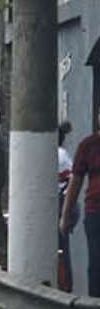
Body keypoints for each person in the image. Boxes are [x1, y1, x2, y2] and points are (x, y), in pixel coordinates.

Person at [61, 107, 100, 298]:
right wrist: (66, 215)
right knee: (96, 264)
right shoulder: (88, 145)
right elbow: (75, 184)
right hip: (96, 212)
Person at [59, 121, 76, 290]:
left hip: (59, 205)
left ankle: (64, 286)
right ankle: (66, 286)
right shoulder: (63, 154)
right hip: (64, 204)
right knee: (63, 249)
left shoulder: (57, 155)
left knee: (61, 249)